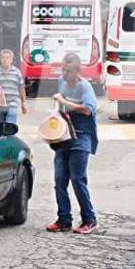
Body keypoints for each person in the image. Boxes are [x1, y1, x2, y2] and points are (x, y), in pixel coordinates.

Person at [47, 52, 99, 234]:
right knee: (60, 179)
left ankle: (89, 219)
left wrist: (65, 102)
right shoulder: (61, 81)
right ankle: (64, 219)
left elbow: (88, 110)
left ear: (76, 70)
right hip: (64, 136)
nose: (64, 73)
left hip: (81, 136)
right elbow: (60, 106)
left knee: (77, 179)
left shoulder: (85, 87)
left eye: (67, 70)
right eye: (62, 69)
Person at [0, 49, 27, 125]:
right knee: (2, 126)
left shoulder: (17, 72)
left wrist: (23, 103)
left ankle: (10, 135)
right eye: (3, 57)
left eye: (8, 58)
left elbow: (21, 88)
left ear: (11, 60)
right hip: (0, 104)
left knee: (9, 125)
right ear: (0, 59)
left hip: (13, 103)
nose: (5, 60)